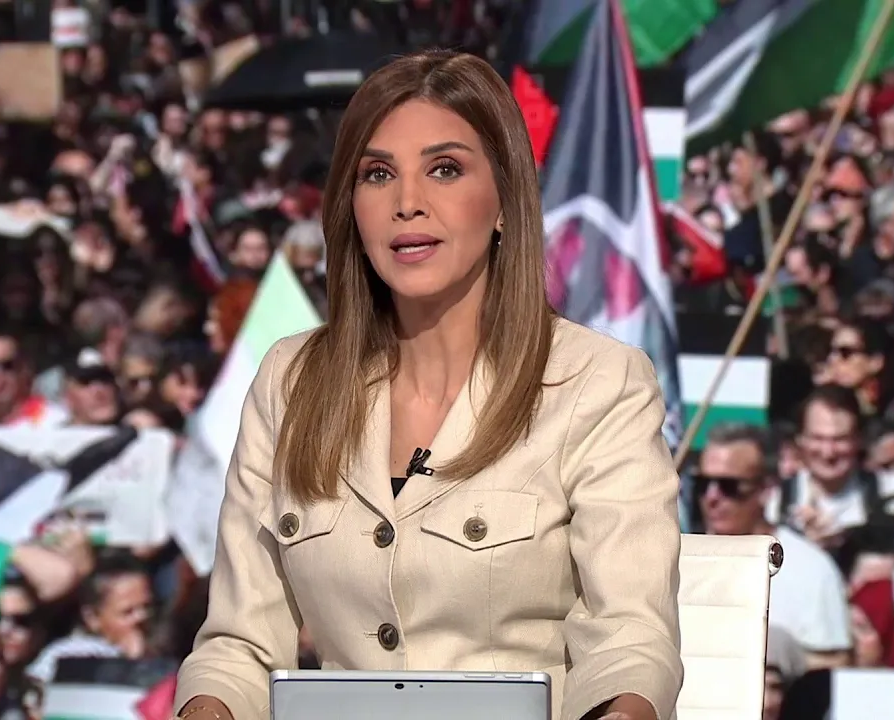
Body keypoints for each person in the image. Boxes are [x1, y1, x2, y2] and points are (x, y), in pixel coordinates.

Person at [173, 51, 684, 720]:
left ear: (504, 201)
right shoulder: (289, 380)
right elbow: (238, 643)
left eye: (444, 169)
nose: (407, 203)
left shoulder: (599, 382)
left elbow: (629, 638)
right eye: (378, 174)